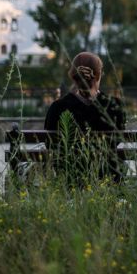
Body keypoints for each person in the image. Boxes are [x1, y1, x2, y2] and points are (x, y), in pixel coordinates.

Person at [44, 52, 126, 182]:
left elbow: (49, 143)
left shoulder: (58, 107)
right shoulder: (115, 106)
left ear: (73, 76)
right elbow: (118, 139)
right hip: (109, 178)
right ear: (98, 76)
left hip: (69, 179)